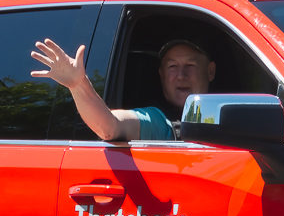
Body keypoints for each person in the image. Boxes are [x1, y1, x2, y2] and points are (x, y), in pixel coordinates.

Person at [31, 37, 214, 142]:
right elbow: (109, 127)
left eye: (191, 65)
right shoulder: (159, 122)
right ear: (161, 74)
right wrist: (78, 85)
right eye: (172, 67)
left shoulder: (229, 113)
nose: (181, 75)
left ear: (210, 71)